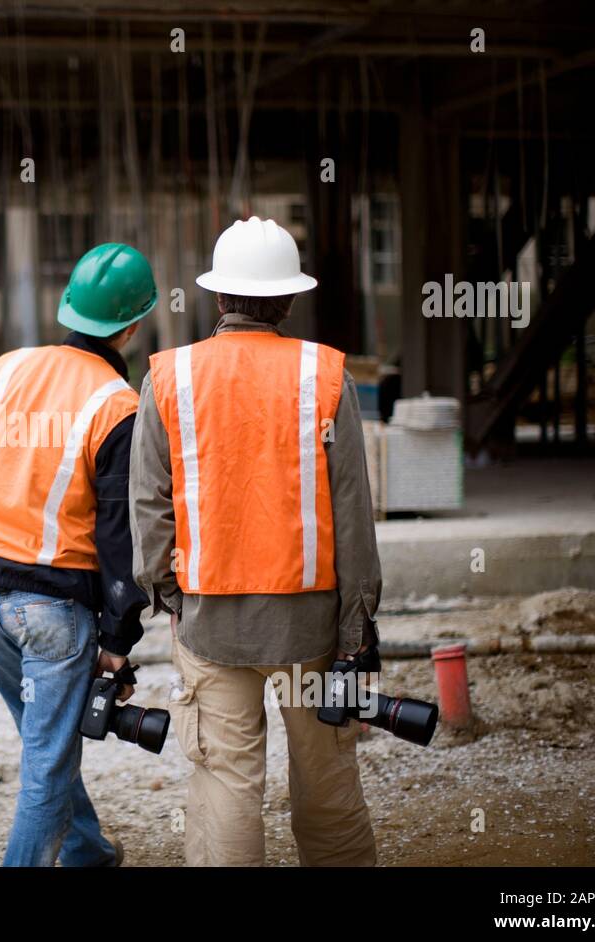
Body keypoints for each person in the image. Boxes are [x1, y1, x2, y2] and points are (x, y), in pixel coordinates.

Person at [130, 216, 380, 866]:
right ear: (290, 300)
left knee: (227, 786)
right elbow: (352, 511)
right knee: (326, 785)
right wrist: (355, 628)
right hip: (310, 627)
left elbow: (148, 507)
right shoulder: (325, 377)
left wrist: (165, 591)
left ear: (217, 298)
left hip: (210, 624)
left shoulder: (168, 378)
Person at [0, 243, 156, 866]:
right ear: (132, 326)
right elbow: (121, 538)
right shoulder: (118, 406)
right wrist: (119, 635)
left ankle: (86, 851)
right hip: (53, 609)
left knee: (45, 743)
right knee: (48, 761)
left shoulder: (4, 369)